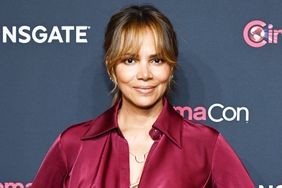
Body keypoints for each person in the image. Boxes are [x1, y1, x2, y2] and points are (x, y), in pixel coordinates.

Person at [32, 4, 255, 188]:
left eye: (156, 60)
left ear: (171, 67)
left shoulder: (206, 144)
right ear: (112, 68)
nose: (145, 74)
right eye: (130, 60)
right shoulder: (72, 144)